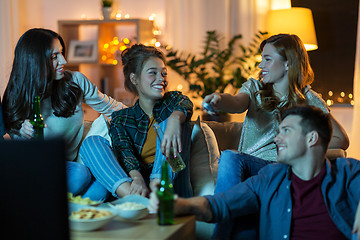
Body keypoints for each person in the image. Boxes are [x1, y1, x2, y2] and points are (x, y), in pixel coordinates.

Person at [202, 34, 349, 238]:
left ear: (288, 63)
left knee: (237, 166)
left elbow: (341, 139)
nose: (261, 65)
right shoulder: (255, 88)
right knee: (230, 157)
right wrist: (219, 100)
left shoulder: (308, 99)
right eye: (261, 58)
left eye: (268, 59)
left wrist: (301, 152)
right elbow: (236, 103)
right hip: (251, 168)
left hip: (282, 169)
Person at [149, 105, 360, 240]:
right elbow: (218, 204)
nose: (277, 139)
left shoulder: (347, 172)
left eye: (286, 131)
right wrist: (178, 204)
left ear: (311, 138)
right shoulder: (270, 178)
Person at [1, 28, 126, 200]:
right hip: (41, 168)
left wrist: (147, 115)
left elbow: (111, 107)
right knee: (81, 175)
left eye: (61, 53)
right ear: (34, 61)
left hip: (74, 163)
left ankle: (60, 208)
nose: (64, 60)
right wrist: (21, 134)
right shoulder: (16, 96)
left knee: (100, 190)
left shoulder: (75, 82)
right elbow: (19, 154)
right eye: (54, 56)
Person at [79, 44, 193, 199]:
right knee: (90, 143)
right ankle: (136, 199)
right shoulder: (122, 118)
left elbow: (185, 104)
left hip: (171, 181)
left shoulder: (173, 102)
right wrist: (137, 178)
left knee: (174, 121)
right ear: (134, 78)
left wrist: (174, 119)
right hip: (138, 185)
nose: (161, 79)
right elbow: (124, 152)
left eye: (163, 73)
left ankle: (158, 188)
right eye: (152, 73)